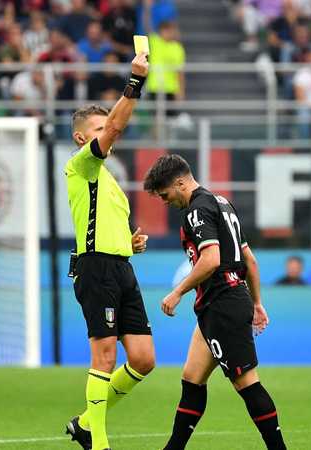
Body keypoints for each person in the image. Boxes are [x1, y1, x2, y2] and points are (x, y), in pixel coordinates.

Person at [143, 155, 287, 450]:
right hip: (222, 302)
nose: (166, 202)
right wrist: (257, 302)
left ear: (180, 182)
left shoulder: (197, 211)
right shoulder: (222, 203)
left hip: (223, 303)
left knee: (247, 383)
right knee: (192, 378)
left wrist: (177, 291)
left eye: (166, 194)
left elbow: (211, 259)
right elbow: (250, 260)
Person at [64, 53, 156, 450]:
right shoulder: (80, 166)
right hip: (95, 268)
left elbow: (103, 223)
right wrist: (134, 81)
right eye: (99, 129)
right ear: (82, 138)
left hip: (121, 268)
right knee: (102, 358)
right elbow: (119, 124)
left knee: (143, 359)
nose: (109, 133)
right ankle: (98, 443)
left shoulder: (107, 181)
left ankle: (85, 424)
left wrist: (129, 243)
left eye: (107, 126)